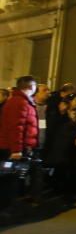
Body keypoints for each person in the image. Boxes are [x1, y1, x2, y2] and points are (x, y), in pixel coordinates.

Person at [0, 76, 39, 215]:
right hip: (13, 148)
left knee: (12, 178)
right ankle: (6, 207)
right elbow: (17, 128)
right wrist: (16, 150)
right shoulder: (20, 103)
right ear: (31, 86)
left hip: (13, 147)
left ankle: (9, 205)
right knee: (9, 179)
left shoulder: (20, 101)